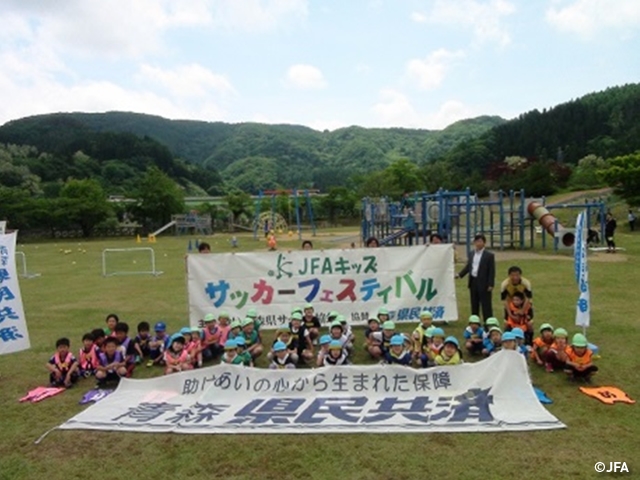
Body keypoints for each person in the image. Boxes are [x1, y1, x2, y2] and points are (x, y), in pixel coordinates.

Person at [457, 234, 496, 321]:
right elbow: (468, 266)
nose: (478, 243)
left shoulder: (489, 255)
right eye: (477, 241)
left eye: (480, 241)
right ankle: (475, 322)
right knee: (474, 303)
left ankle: (488, 323)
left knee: (486, 304)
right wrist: (460, 275)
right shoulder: (471, 253)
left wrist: (491, 284)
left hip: (484, 282)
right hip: (473, 281)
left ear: (484, 243)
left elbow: (491, 270)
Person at [500, 266, 533, 336]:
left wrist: (522, 311)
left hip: (524, 305)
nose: (515, 277)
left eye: (517, 275)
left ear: (520, 275)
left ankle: (529, 341)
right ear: (509, 276)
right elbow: (504, 301)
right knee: (506, 323)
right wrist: (510, 314)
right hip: (511, 306)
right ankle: (506, 338)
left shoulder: (526, 283)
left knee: (529, 323)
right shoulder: (505, 284)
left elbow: (528, 298)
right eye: (512, 275)